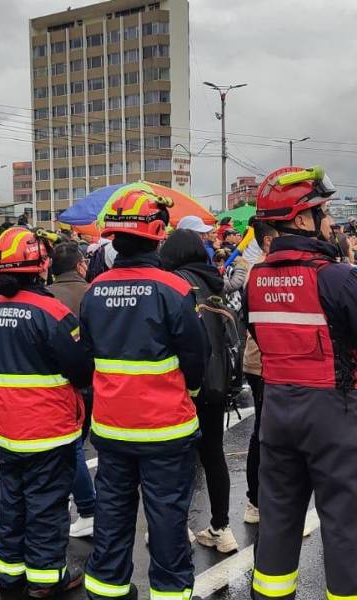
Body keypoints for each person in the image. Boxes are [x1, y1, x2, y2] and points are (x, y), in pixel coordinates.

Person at [245, 166, 357, 600]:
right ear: (303, 220)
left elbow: (260, 336)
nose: (331, 222)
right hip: (335, 412)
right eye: (323, 212)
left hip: (276, 413)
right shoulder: (338, 277)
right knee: (345, 530)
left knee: (278, 523)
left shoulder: (255, 280)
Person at [79, 189, 208, 600]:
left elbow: (87, 356)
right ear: (158, 233)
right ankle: (169, 592)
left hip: (113, 428)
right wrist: (193, 390)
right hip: (166, 427)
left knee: (113, 512)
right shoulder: (175, 289)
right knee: (167, 517)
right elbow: (195, 355)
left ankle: (106, 589)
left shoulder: (94, 290)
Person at [0, 227, 90, 598]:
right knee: (46, 502)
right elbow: (81, 369)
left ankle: (10, 572)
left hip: (8, 426)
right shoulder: (53, 313)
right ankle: (47, 578)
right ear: (39, 266)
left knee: (12, 498)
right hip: (49, 426)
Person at [160, 229, 240, 555]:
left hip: (186, 383)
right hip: (218, 381)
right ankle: (222, 528)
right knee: (213, 454)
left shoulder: (175, 284)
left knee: (179, 458)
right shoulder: (215, 282)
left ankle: (177, 526)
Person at [47, 242, 97, 539]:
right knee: (75, 446)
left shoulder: (47, 297)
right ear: (80, 266)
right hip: (92, 380)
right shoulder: (93, 292)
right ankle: (87, 508)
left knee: (70, 447)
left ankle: (86, 508)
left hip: (59, 383)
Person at [240, 220, 277, 525]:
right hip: (262, 361)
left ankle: (265, 501)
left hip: (269, 361)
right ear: (267, 242)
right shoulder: (259, 271)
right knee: (264, 433)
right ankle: (256, 502)